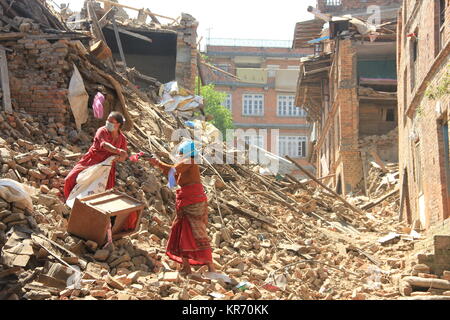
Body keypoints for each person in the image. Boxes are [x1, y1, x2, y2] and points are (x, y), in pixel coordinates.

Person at [148, 140, 215, 275]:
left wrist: (158, 163)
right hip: (187, 199)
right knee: (181, 231)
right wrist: (159, 165)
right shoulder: (186, 163)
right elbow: (173, 174)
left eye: (181, 153)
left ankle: (211, 267)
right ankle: (186, 266)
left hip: (193, 201)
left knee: (197, 232)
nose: (179, 155)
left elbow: (173, 170)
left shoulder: (189, 161)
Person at [64, 111, 128, 200]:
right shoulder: (102, 131)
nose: (108, 123)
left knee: (104, 190)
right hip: (91, 160)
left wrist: (120, 157)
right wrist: (118, 151)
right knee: (71, 179)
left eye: (111, 122)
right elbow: (104, 145)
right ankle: (68, 201)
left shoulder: (122, 139)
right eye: (107, 120)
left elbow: (123, 156)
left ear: (118, 124)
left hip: (106, 166)